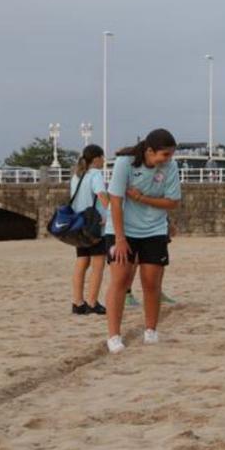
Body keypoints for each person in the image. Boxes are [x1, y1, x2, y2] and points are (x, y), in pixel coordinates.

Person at [103, 130, 181, 354]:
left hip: (154, 229)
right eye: (164, 155)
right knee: (121, 279)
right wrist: (120, 239)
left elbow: (172, 201)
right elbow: (116, 202)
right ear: (149, 151)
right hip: (122, 228)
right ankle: (114, 336)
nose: (168, 159)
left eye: (170, 155)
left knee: (151, 281)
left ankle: (151, 331)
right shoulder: (125, 163)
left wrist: (141, 198)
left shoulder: (170, 168)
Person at [69, 144, 109, 315]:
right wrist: (113, 212)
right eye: (102, 157)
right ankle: (92, 302)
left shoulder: (77, 175)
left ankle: (77, 302)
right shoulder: (95, 174)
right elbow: (102, 195)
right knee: (98, 263)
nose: (104, 160)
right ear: (96, 158)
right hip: (94, 224)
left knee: (82, 261)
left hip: (79, 223)